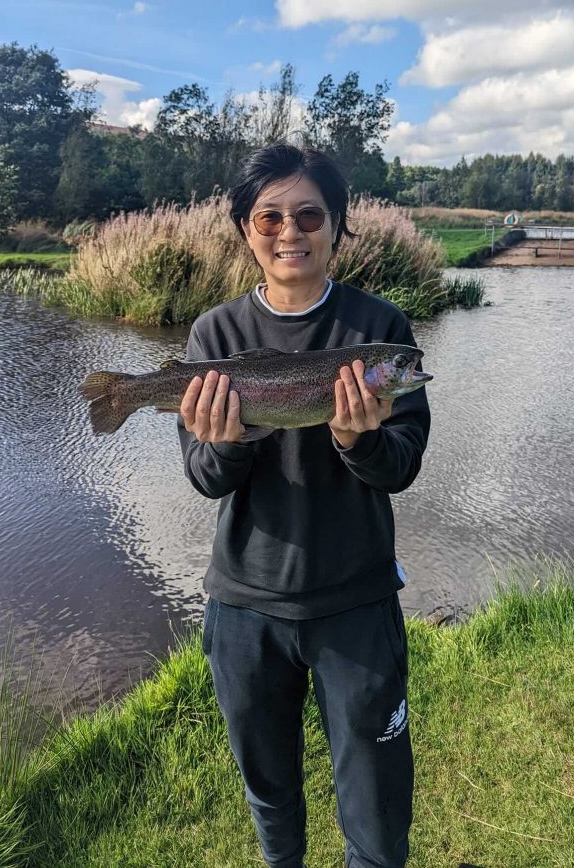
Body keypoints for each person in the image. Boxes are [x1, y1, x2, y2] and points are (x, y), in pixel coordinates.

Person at [177, 143, 431, 868]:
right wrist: (227, 443)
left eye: (309, 214)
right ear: (245, 231)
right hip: (245, 608)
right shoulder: (215, 337)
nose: (290, 232)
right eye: (269, 218)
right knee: (271, 797)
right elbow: (205, 478)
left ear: (338, 223)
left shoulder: (381, 333)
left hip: (356, 601)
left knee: (377, 809)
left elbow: (401, 467)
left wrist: (360, 441)